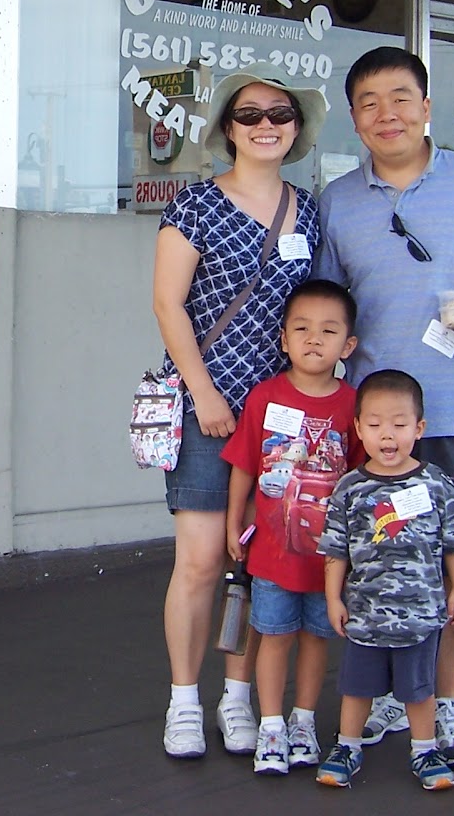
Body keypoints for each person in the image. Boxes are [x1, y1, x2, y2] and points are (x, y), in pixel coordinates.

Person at [313, 45, 454, 769]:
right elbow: (329, 314)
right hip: (373, 427)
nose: (388, 114)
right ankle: (387, 696)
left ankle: (448, 702)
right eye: (371, 103)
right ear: (354, 119)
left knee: (453, 570)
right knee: (376, 566)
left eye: (402, 97)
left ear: (427, 108)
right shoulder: (338, 200)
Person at [152, 64, 330, 759]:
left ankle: (238, 695)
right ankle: (184, 702)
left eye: (279, 114)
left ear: (296, 128)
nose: (266, 125)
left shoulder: (309, 210)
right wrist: (202, 390)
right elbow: (168, 303)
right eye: (250, 115)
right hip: (208, 409)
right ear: (229, 128)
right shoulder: (194, 205)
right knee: (198, 562)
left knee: (262, 563)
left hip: (281, 416)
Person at [222, 279, 363, 776]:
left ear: (348, 345)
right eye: (301, 329)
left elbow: (365, 478)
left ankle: (304, 722)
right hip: (272, 554)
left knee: (317, 638)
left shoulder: (352, 406)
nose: (313, 339)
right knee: (274, 634)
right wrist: (233, 521)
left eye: (328, 331)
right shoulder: (264, 397)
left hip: (329, 559)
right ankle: (272, 726)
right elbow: (244, 465)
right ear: (282, 338)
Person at [315, 369, 454, 791]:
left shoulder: (437, 484)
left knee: (419, 690)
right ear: (358, 428)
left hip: (420, 614)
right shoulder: (349, 488)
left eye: (400, 424)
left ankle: (425, 750)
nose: (388, 435)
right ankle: (347, 746)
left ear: (419, 428)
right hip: (364, 614)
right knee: (356, 686)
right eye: (375, 424)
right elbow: (335, 552)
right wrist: (333, 599)